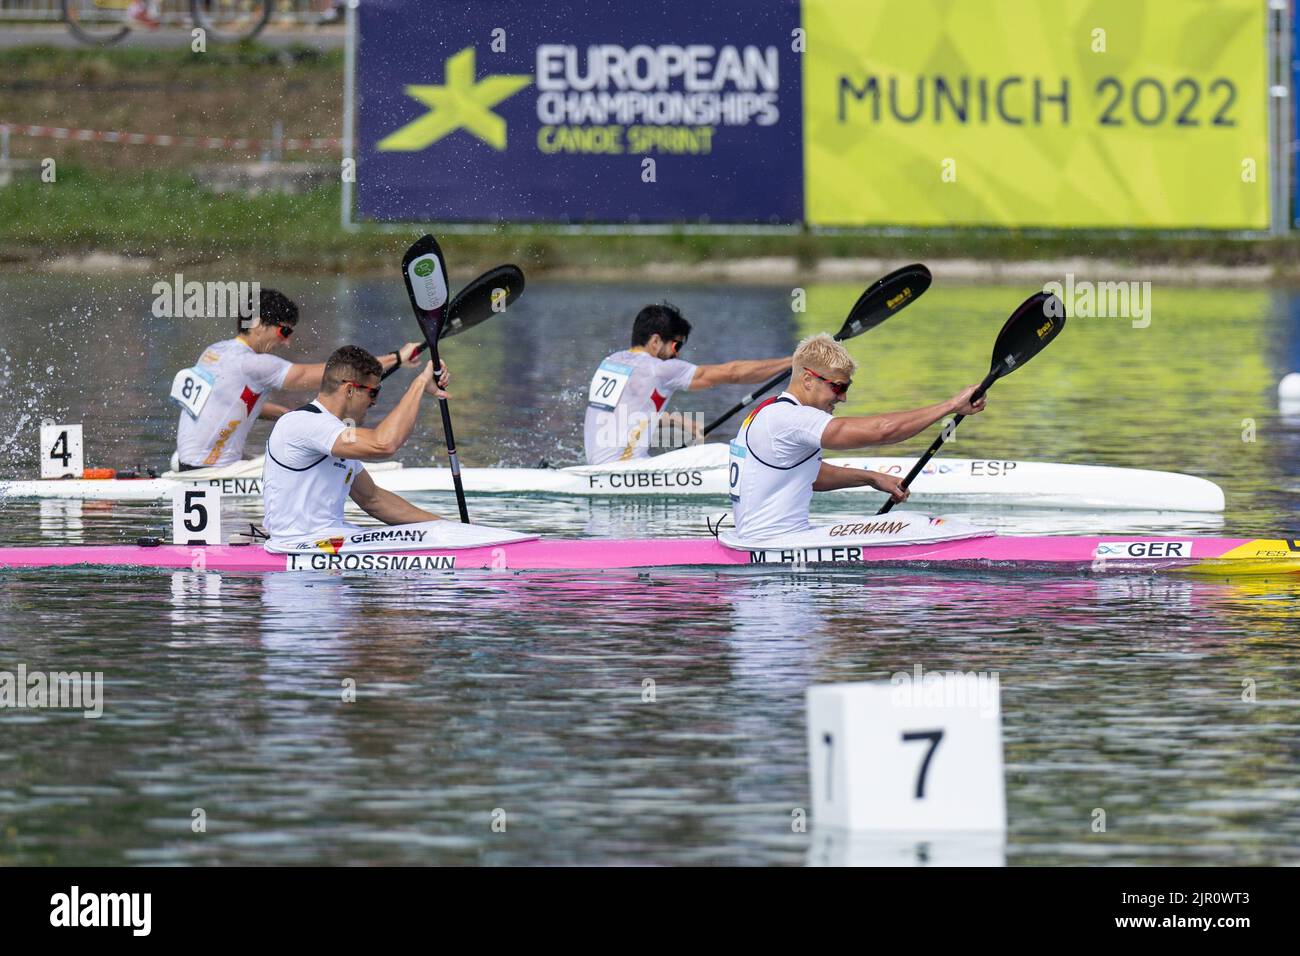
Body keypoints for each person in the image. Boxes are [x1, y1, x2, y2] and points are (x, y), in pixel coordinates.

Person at [729, 333, 987, 540]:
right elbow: (883, 431)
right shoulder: (789, 419)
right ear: (808, 379)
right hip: (774, 548)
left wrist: (870, 478)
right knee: (911, 525)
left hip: (761, 541)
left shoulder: (768, 412)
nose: (843, 397)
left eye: (846, 388)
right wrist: (951, 406)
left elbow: (810, 475)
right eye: (838, 387)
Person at [171, 288, 421, 470]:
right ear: (258, 323)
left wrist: (286, 415)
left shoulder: (214, 352)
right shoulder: (253, 363)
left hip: (187, 463)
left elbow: (225, 404)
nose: (287, 341)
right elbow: (328, 375)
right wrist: (397, 357)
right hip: (210, 474)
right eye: (284, 331)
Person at [261, 345, 451, 541]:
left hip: (327, 541)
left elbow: (373, 499)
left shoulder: (338, 435)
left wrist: (446, 528)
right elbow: (384, 444)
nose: (374, 402)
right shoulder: (303, 423)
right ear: (350, 390)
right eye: (373, 393)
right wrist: (419, 384)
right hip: (297, 545)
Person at [583, 302, 793, 466]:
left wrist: (683, 423)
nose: (678, 353)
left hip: (596, 466)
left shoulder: (611, 362)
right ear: (655, 341)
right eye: (676, 345)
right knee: (720, 453)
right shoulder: (659, 369)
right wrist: (793, 361)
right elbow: (733, 374)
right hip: (622, 469)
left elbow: (629, 415)